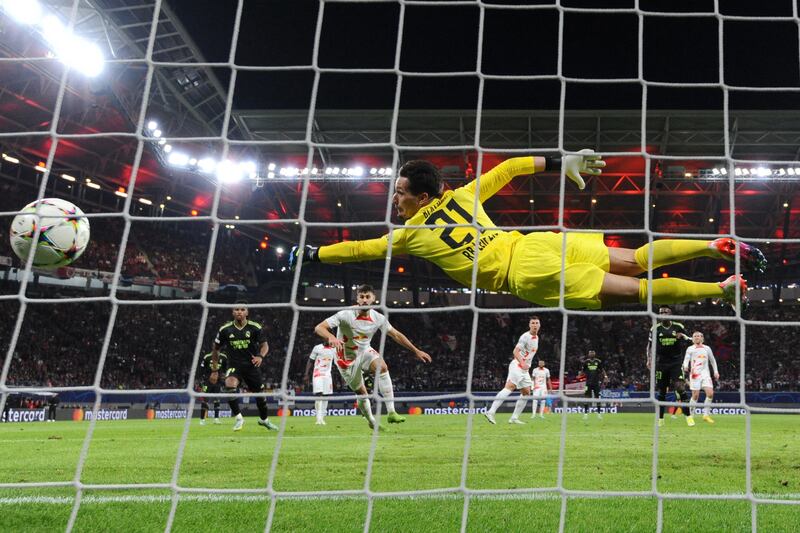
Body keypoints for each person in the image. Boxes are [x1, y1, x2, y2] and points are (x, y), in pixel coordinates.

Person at [290, 153, 765, 310]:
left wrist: (312, 254)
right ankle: (713, 242)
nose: (394, 199)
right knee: (637, 257)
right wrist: (564, 161)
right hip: (536, 241)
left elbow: (356, 250)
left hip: (526, 272)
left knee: (637, 289)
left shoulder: (408, 235)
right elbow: (515, 166)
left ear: (418, 196)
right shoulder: (463, 197)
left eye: (398, 192)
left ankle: (720, 289)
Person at [314, 284, 432, 431]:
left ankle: (392, 412)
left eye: (367, 297)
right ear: (357, 298)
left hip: (365, 351)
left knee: (382, 367)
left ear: (373, 299)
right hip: (346, 359)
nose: (364, 300)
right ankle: (371, 420)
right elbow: (319, 327)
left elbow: (395, 334)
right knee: (362, 392)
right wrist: (331, 337)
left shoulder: (378, 318)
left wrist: (416, 350)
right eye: (361, 297)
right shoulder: (345, 314)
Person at [211, 301, 278, 432]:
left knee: (261, 397)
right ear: (232, 312)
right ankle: (239, 418)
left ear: (247, 312)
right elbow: (216, 349)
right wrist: (214, 369)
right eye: (236, 309)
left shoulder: (255, 327)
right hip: (234, 365)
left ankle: (264, 420)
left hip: (251, 366)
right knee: (229, 385)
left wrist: (260, 356)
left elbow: (265, 345)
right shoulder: (225, 329)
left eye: (242, 310)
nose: (239, 312)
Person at [484, 316, 540, 425]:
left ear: (539, 325)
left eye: (536, 323)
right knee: (510, 387)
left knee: (527, 392)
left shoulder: (537, 338)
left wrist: (526, 364)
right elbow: (515, 351)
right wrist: (523, 363)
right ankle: (491, 412)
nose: (535, 325)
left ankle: (514, 418)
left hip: (524, 369)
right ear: (529, 325)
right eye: (532, 323)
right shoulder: (525, 337)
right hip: (518, 366)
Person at [647, 306, 692, 427]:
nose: (663, 314)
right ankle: (660, 419)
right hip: (661, 363)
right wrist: (649, 359)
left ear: (670, 313)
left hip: (676, 362)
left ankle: (688, 416)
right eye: (661, 312)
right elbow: (650, 345)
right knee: (662, 391)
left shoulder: (678, 326)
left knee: (680, 388)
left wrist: (682, 336)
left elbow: (690, 340)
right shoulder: (655, 328)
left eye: (665, 312)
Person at [682, 331, 719, 426]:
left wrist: (715, 371)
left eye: (699, 336)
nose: (697, 337)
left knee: (710, 393)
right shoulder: (690, 349)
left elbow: (713, 360)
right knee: (695, 396)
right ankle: (690, 416)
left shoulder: (707, 348)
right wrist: (685, 366)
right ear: (693, 338)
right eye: (695, 336)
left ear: (702, 338)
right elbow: (686, 359)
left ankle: (706, 415)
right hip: (695, 374)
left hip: (705, 374)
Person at [304, 342, 337, 425]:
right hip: (317, 374)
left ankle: (322, 418)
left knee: (326, 396)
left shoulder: (334, 349)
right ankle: (318, 418)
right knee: (319, 394)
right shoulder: (317, 347)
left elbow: (337, 362)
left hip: (327, 375)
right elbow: (310, 361)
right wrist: (306, 374)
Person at [197, 351, 228, 426]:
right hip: (207, 381)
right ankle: (202, 420)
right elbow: (201, 369)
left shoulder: (223, 357)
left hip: (218, 382)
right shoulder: (207, 357)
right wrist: (200, 381)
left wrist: (223, 377)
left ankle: (216, 419)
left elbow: (226, 369)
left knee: (217, 399)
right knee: (205, 400)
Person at [581, 350, 606, 420]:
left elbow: (602, 370)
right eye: (590, 353)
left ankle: (599, 414)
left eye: (593, 352)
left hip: (596, 383)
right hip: (588, 383)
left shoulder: (598, 361)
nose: (592, 354)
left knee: (597, 398)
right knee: (586, 398)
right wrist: (579, 375)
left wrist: (606, 376)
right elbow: (582, 371)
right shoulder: (586, 362)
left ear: (595, 354)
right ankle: (585, 414)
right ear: (588, 354)